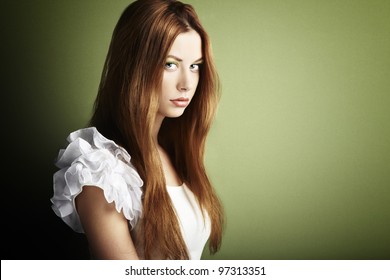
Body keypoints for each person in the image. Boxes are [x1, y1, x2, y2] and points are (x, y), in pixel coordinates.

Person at [51, 0, 224, 260]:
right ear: (136, 66)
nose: (187, 83)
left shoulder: (172, 150)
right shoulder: (102, 171)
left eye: (195, 66)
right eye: (170, 64)